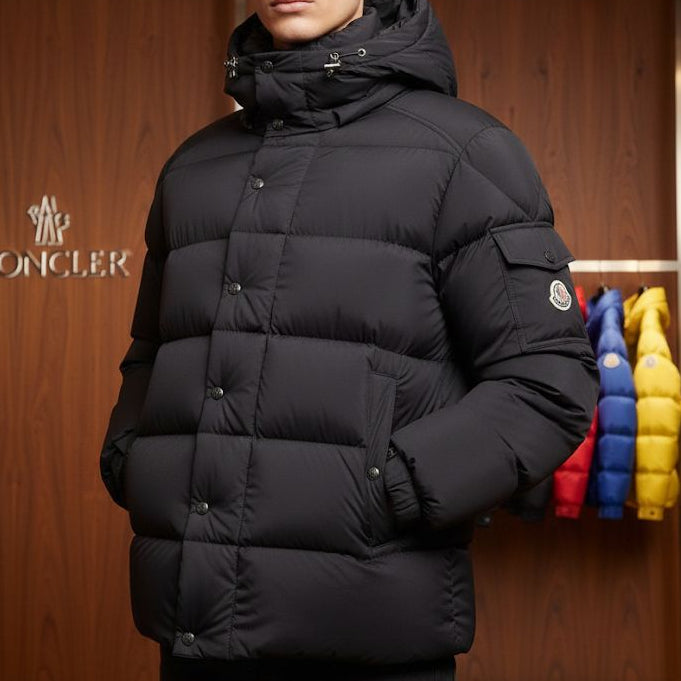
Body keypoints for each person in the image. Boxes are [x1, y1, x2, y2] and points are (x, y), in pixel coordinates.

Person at [99, 1, 600, 680]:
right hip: (194, 633)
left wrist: (389, 486)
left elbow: (548, 383)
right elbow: (153, 354)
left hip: (370, 639)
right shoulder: (193, 168)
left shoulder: (464, 155)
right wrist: (131, 459)